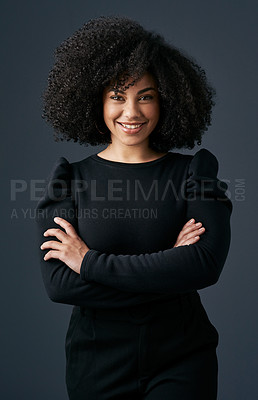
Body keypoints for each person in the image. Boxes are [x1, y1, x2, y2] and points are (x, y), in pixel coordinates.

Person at [35, 15, 233, 400]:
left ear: (166, 100)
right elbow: (59, 285)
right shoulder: (69, 180)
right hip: (96, 361)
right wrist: (170, 267)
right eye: (118, 96)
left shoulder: (194, 172)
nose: (132, 112)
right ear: (96, 100)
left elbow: (205, 265)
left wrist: (90, 262)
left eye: (146, 96)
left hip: (182, 355)